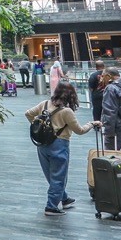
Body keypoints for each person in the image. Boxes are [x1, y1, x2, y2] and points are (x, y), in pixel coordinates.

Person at [24, 81, 100, 216]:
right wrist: (92, 123)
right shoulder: (66, 111)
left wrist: (40, 127)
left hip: (42, 144)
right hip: (59, 145)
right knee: (59, 176)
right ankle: (51, 207)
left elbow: (28, 113)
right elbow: (80, 131)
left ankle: (64, 198)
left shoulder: (45, 104)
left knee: (51, 174)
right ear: (71, 95)